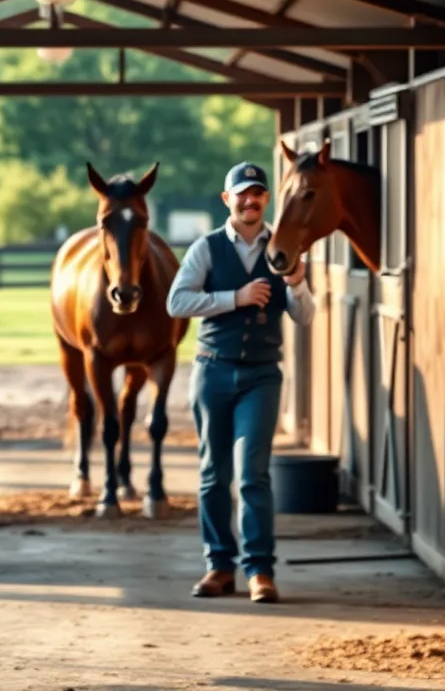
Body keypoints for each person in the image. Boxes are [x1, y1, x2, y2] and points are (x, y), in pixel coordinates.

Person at [166, 161, 315, 604]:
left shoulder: (284, 247)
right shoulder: (207, 248)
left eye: (259, 193)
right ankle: (218, 566)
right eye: (243, 193)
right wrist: (237, 298)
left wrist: (298, 283)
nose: (251, 200)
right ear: (226, 199)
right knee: (214, 474)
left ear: (266, 200)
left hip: (261, 375)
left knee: (253, 474)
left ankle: (260, 571)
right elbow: (177, 302)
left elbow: (304, 316)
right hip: (212, 370)